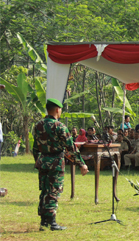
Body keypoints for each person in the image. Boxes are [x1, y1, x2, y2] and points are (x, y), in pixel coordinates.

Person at [33, 98, 89, 231]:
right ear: (58, 110)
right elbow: (71, 148)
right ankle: (52, 222)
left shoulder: (38, 125)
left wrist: (38, 160)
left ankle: (44, 222)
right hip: (56, 163)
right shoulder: (60, 127)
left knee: (45, 191)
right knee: (53, 191)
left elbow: (35, 147)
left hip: (43, 161)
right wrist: (82, 164)